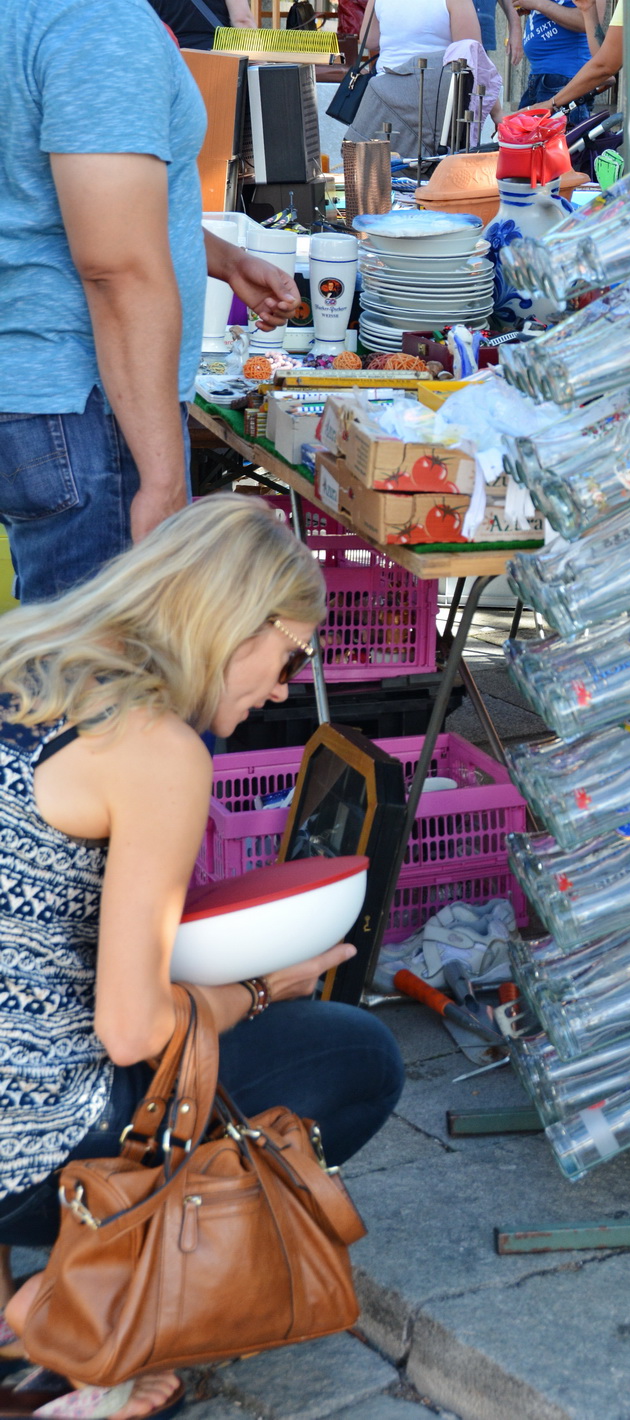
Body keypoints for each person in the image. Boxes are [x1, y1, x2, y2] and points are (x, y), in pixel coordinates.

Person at [0, 494, 404, 1420]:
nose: (281, 688)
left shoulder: (25, 657)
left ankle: (14, 1317)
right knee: (353, 1054)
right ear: (236, 620)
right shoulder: (152, 746)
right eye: (290, 656)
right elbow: (133, 1026)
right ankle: (87, 1317)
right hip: (25, 1149)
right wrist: (265, 988)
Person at [0, 0, 297, 607]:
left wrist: (213, 251)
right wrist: (164, 478)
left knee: (61, 699)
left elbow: (46, 196)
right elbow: (116, 264)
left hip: (37, 393)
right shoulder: (91, 5)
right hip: (90, 414)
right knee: (105, 715)